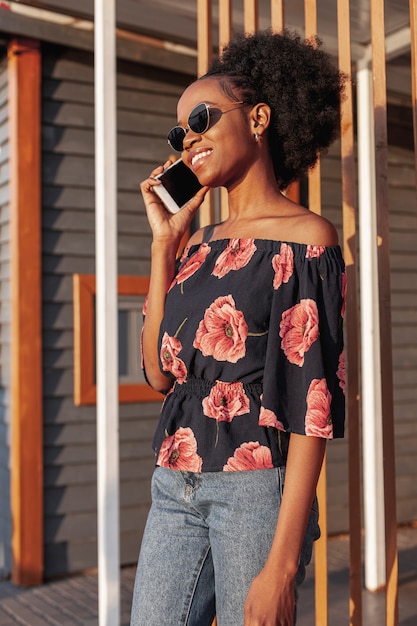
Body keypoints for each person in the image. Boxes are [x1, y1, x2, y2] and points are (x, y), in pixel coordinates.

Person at [131, 29, 346, 626]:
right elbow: (155, 373)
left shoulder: (307, 239)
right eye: (179, 133)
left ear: (258, 118)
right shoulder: (193, 246)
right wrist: (163, 248)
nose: (188, 138)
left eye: (200, 118)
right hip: (174, 481)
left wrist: (280, 568)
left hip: (256, 490)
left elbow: (312, 406)